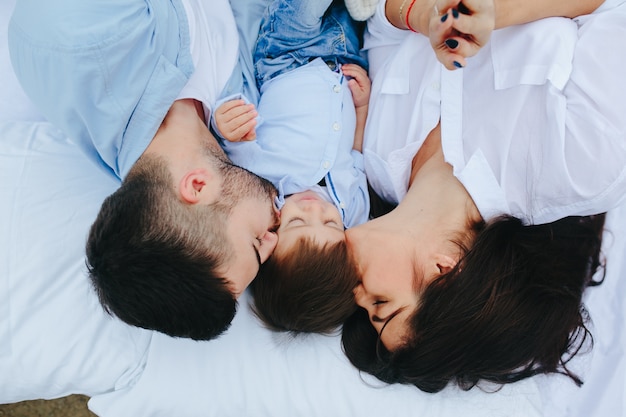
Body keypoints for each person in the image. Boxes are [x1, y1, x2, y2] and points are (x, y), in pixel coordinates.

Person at [341, 0, 626, 393]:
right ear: (445, 270)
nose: (357, 291)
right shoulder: (581, 168)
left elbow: (378, 26)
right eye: (380, 305)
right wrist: (499, 11)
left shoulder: (377, 157)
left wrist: (421, 15)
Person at [8, 0, 280, 340]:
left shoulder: (81, 40)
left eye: (256, 243)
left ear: (196, 187)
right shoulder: (238, 126)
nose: (274, 239)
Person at [212, 0, 371, 334]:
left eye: (298, 221)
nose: (316, 209)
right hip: (345, 60)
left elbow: (232, 145)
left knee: (303, 9)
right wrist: (363, 106)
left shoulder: (262, 188)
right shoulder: (354, 210)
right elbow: (357, 154)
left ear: (271, 236)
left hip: (287, 56)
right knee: (356, 15)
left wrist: (225, 126)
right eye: (330, 223)